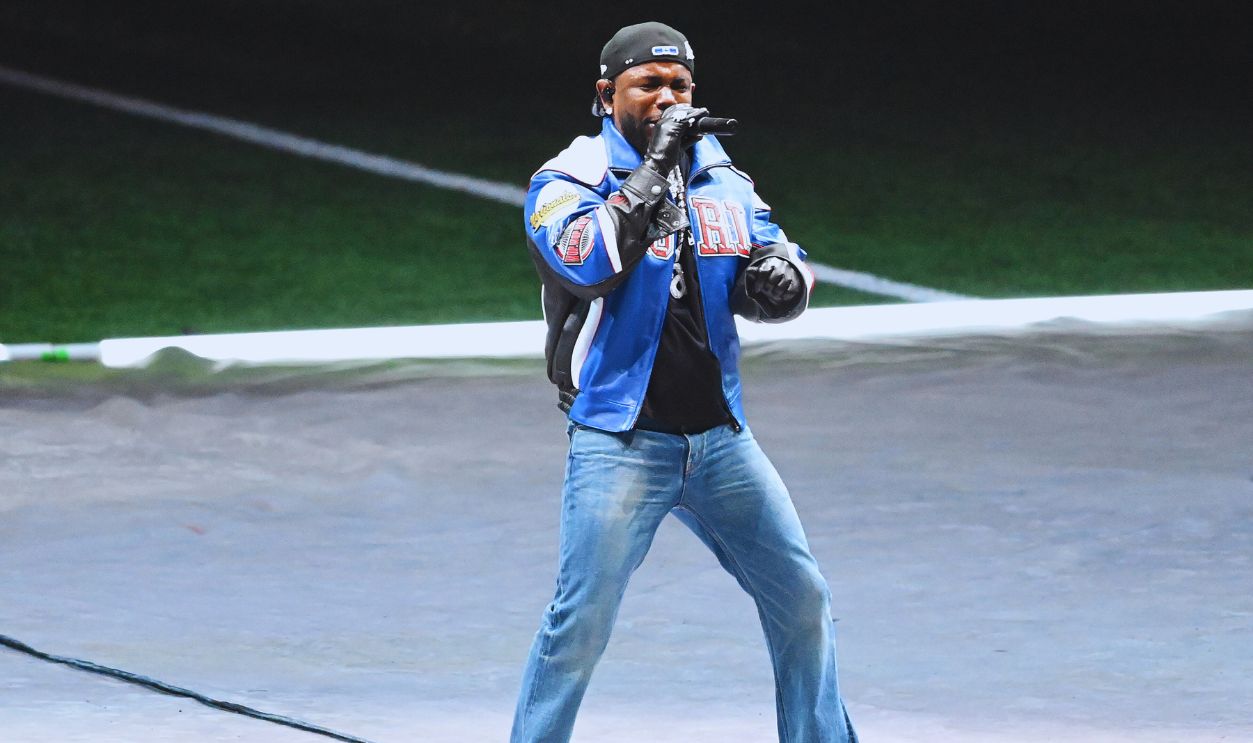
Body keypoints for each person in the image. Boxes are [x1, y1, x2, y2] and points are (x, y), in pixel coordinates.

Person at [513, 21, 857, 743]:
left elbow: (777, 249)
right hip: (620, 440)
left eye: (680, 86)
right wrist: (654, 167)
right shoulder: (567, 179)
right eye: (649, 85)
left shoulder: (720, 178)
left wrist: (784, 278)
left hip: (719, 441)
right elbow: (585, 259)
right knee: (579, 625)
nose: (668, 98)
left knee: (801, 598)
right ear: (607, 96)